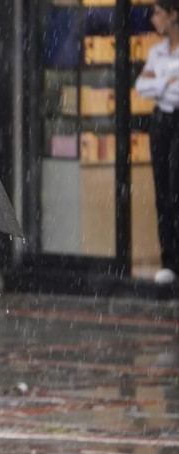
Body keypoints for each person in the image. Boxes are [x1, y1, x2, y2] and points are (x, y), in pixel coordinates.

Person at [135, 0, 179, 285]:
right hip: (161, 122)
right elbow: (142, 86)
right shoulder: (157, 51)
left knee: (176, 189)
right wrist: (167, 81)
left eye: (158, 13)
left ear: (174, 15)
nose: (153, 19)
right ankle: (170, 261)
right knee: (162, 191)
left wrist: (158, 83)